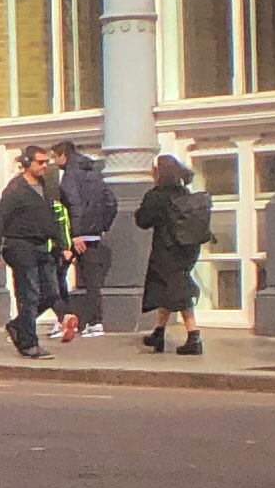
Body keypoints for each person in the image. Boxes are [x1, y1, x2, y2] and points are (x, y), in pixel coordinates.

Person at [0, 142, 65, 359]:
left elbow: (53, 217)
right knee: (29, 295)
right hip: (19, 246)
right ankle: (29, 344)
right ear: (26, 163)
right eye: (40, 162)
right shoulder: (15, 190)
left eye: (46, 162)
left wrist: (61, 244)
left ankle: (17, 326)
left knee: (51, 294)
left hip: (42, 246)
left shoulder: (46, 185)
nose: (44, 166)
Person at [136, 151, 212, 355]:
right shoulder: (184, 193)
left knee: (178, 292)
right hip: (187, 249)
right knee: (166, 289)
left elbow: (142, 221)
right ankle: (158, 333)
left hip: (166, 250)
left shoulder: (156, 195)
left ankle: (193, 336)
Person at [57, 141, 118, 343]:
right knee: (92, 282)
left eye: (55, 157)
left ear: (63, 155)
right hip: (93, 236)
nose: (53, 161)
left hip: (75, 236)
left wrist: (76, 234)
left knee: (56, 276)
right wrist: (100, 227)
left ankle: (63, 320)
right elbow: (111, 203)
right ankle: (95, 323)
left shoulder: (69, 177)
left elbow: (73, 206)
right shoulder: (94, 173)